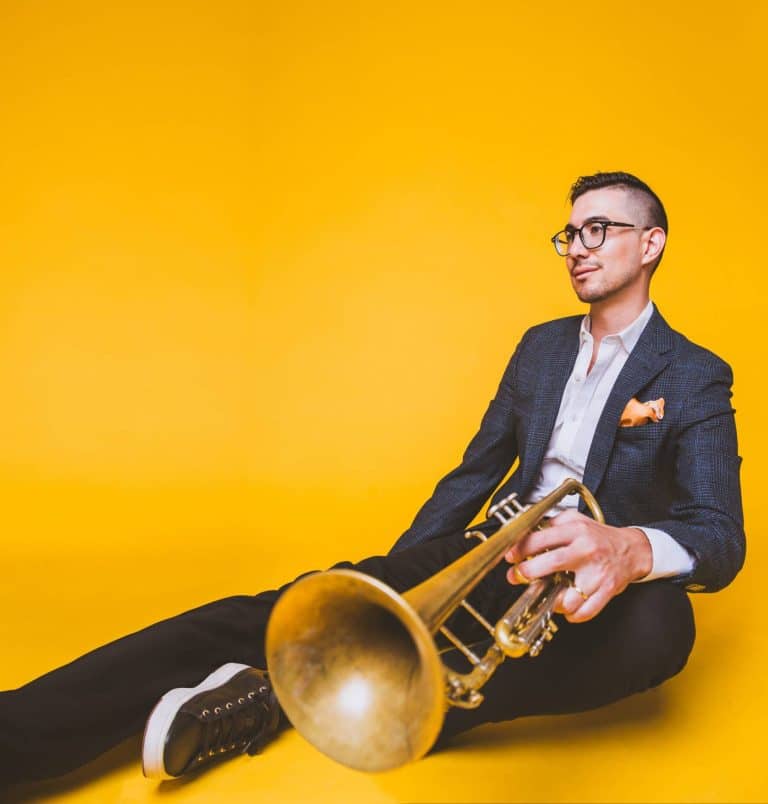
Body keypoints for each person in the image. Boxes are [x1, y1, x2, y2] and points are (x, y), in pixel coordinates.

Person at [0, 171, 745, 789]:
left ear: (652, 244)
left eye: (599, 230)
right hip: (497, 545)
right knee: (285, 610)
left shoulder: (696, 373)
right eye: (569, 234)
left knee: (664, 631)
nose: (577, 249)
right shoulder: (542, 347)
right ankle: (22, 733)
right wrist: (391, 592)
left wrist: (626, 550)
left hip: (594, 594)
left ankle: (275, 699)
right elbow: (477, 469)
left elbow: (719, 532)